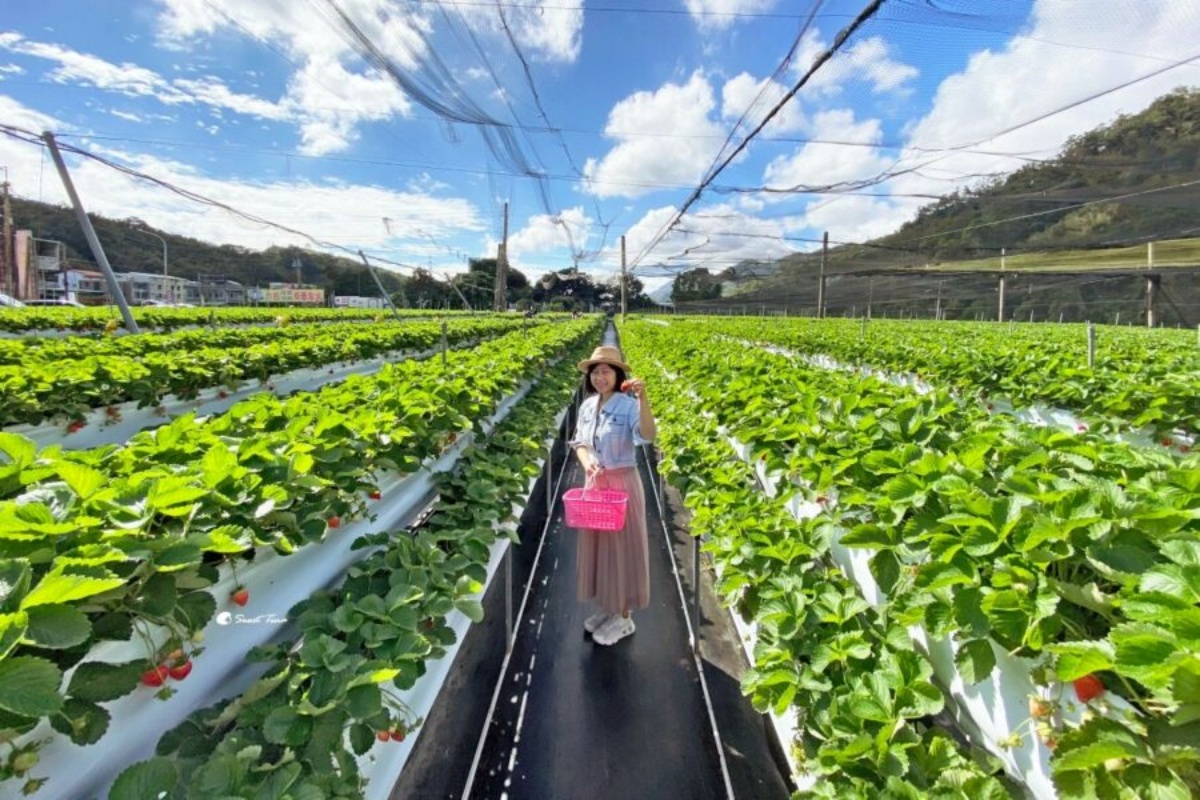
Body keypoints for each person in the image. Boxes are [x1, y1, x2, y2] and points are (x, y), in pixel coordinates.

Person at [568, 345, 657, 646]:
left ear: (618, 375)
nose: (600, 377)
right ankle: (609, 607)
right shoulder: (587, 406)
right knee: (600, 549)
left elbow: (647, 435)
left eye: (606, 371)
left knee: (622, 550)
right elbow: (579, 443)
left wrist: (644, 400)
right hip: (595, 484)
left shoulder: (629, 406)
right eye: (595, 372)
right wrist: (587, 463)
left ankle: (624, 618)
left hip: (622, 485)